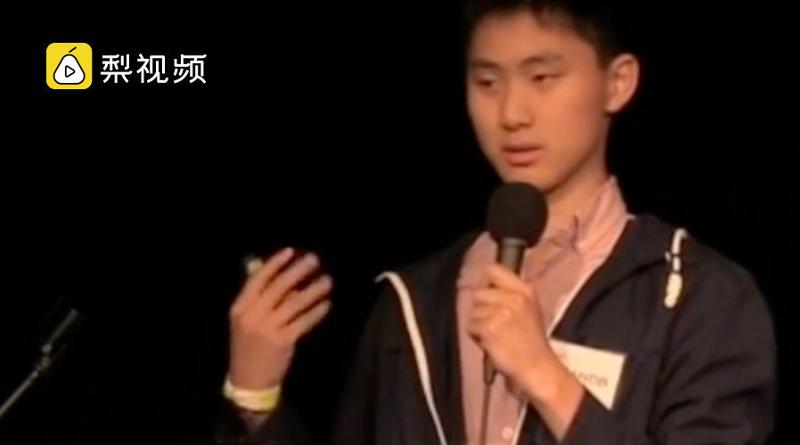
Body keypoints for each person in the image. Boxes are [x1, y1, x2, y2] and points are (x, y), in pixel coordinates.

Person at [216, 1, 777, 443]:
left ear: (618, 82)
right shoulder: (414, 301)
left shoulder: (697, 296)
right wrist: (254, 395)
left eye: (543, 78)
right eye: (487, 83)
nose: (511, 114)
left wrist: (547, 378)